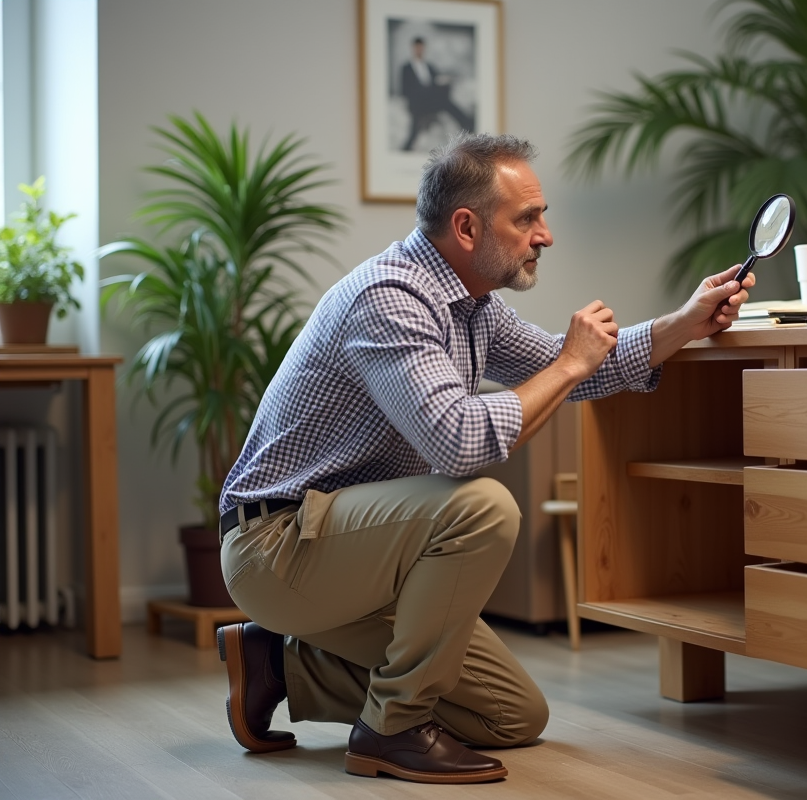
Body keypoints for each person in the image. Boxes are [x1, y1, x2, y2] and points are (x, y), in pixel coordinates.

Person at [215, 132, 755, 785]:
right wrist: (569, 363)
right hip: (278, 546)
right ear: (466, 227)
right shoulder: (389, 298)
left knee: (511, 717)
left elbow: (573, 370)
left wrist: (683, 323)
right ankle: (392, 729)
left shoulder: (471, 307)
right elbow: (459, 442)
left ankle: (275, 663)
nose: (546, 235)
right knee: (481, 507)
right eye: (527, 218)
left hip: (360, 550)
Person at [399, 37, 473, 151]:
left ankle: (466, 123)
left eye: (421, 48)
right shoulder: (406, 68)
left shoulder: (429, 66)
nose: (420, 50)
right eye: (417, 48)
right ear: (413, 48)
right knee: (416, 127)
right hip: (418, 102)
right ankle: (407, 146)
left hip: (432, 99)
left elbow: (436, 79)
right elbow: (405, 89)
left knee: (446, 99)